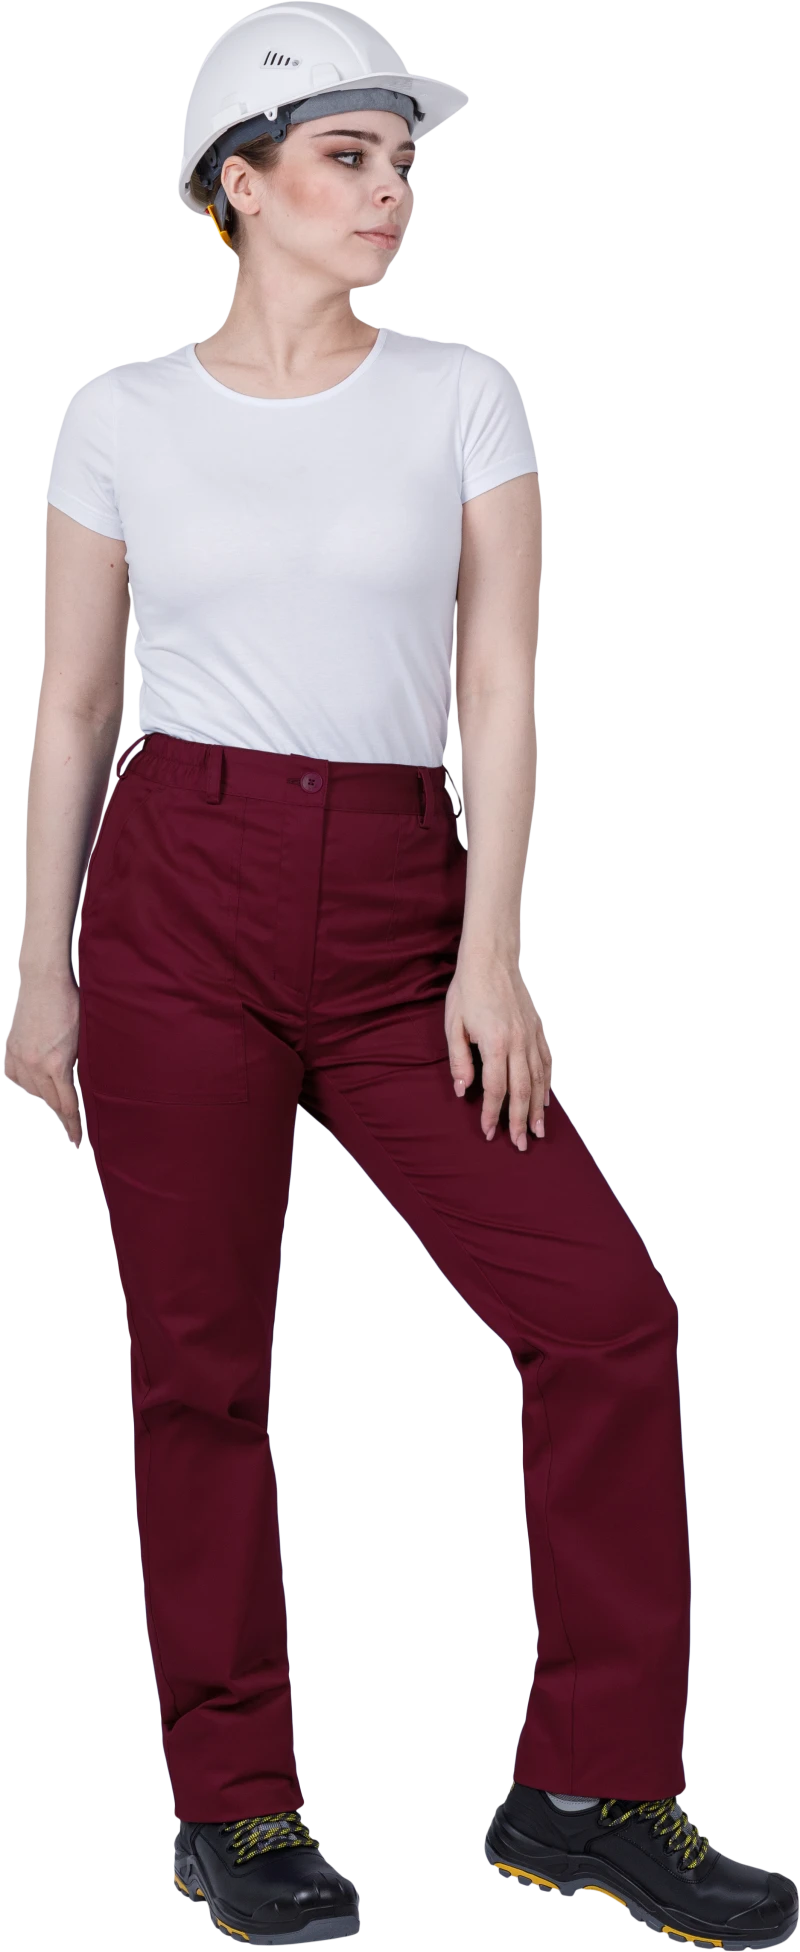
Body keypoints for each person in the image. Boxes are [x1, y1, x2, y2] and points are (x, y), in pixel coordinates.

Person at [10, 5, 797, 1948]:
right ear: (240, 181)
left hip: (395, 908)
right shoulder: (119, 415)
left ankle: (591, 1787)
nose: (390, 193)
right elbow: (75, 705)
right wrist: (41, 973)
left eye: (402, 163)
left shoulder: (463, 392)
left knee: (605, 1317)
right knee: (200, 1368)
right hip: (172, 897)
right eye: (348, 157)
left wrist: (491, 952)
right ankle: (238, 1809)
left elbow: (500, 687)